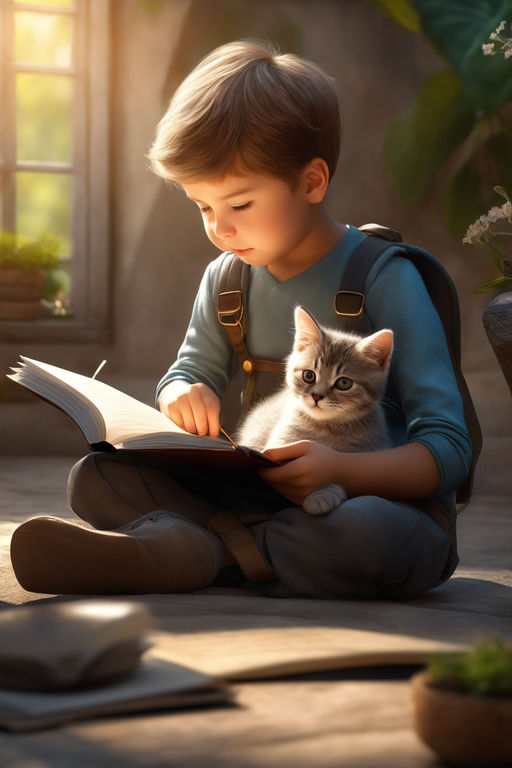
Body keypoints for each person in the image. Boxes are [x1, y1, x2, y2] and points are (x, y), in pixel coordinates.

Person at [10, 40, 472, 599]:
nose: (219, 230)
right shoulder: (225, 279)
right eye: (203, 207)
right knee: (98, 479)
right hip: (263, 497)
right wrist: (183, 392)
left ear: (311, 182)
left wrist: (341, 471)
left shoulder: (385, 277)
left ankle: (199, 553)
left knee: (370, 536)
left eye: (240, 205)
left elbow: (449, 449)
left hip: (374, 503)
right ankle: (250, 551)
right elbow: (188, 372)